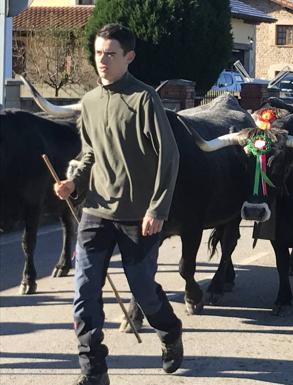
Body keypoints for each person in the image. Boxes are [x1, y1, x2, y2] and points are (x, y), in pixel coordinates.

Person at [53, 24, 182, 385]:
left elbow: (168, 157)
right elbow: (90, 152)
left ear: (129, 57)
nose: (102, 61)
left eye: (110, 54)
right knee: (83, 294)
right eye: (98, 54)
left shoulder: (144, 100)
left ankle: (170, 332)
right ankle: (93, 371)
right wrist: (73, 181)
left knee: (143, 292)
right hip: (95, 211)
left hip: (137, 217)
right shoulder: (91, 102)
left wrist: (157, 208)